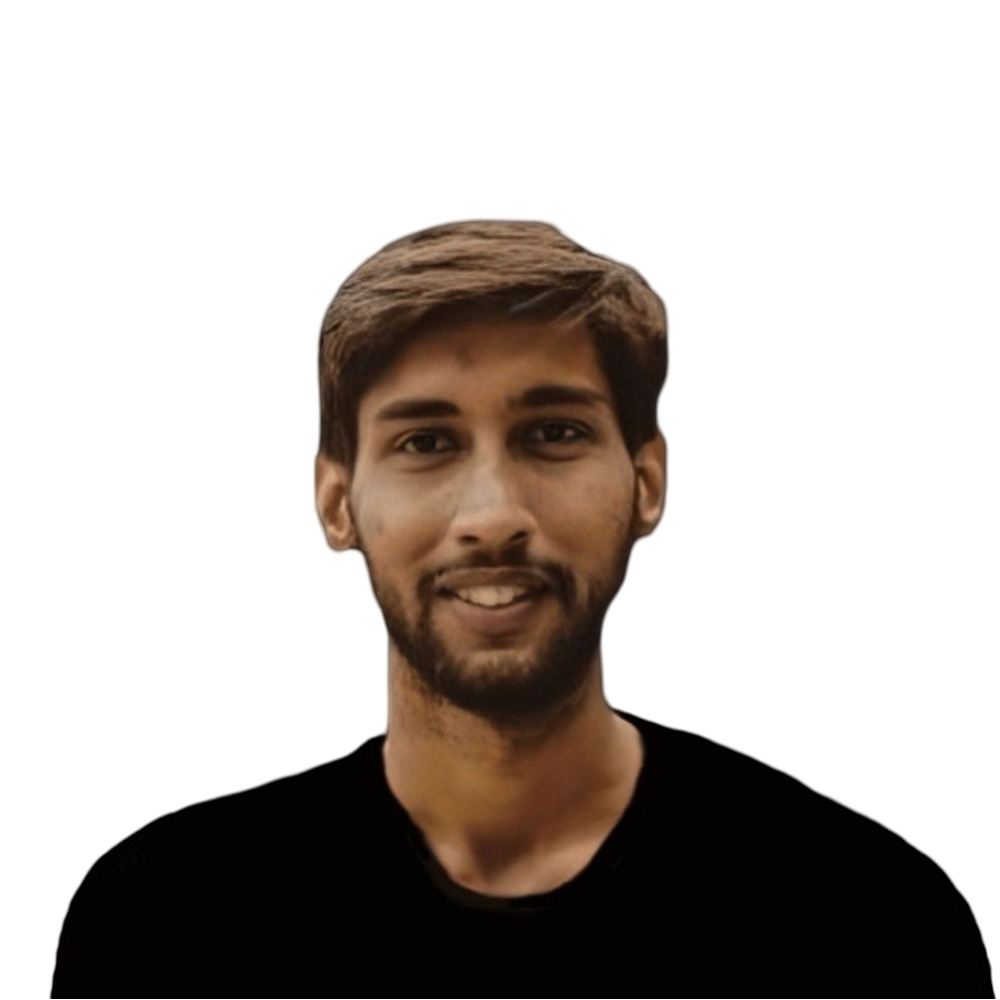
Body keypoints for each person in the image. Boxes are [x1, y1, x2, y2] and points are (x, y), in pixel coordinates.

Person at [53, 221, 993, 998]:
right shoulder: (163, 923)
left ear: (647, 481)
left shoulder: (868, 922)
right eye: (427, 442)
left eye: (554, 433)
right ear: (337, 502)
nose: (494, 514)